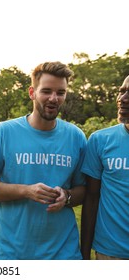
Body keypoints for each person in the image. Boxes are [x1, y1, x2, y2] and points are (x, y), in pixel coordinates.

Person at [0, 62, 87, 260]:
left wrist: (66, 196)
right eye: (46, 91)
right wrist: (26, 191)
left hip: (63, 254)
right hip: (12, 254)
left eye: (61, 92)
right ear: (32, 92)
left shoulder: (76, 137)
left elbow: (85, 190)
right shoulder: (5, 132)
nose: (53, 98)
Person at [80, 75, 129, 260]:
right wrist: (84, 254)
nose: (122, 99)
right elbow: (91, 198)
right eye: (121, 91)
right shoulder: (100, 140)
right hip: (109, 253)